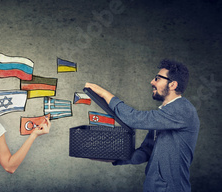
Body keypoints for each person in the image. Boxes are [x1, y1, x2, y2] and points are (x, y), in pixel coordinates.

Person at [85, 59, 199, 192]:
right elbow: (146, 152)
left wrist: (105, 94)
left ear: (173, 84)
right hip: (152, 187)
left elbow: (134, 119)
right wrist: (115, 158)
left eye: (157, 78)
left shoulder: (183, 110)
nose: (152, 82)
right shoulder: (164, 114)